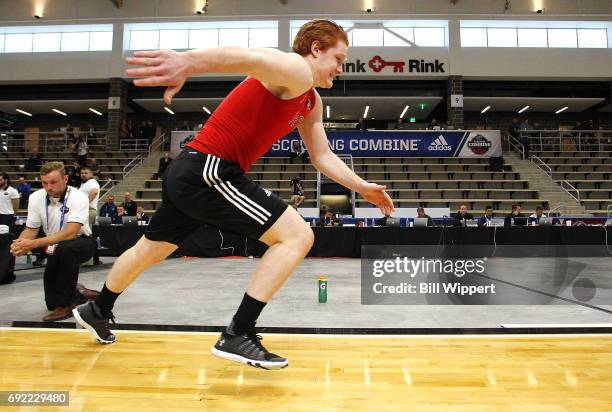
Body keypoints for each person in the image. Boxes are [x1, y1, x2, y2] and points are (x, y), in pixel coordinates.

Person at [73, 19, 393, 370]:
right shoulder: (295, 68)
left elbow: (322, 156)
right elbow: (248, 56)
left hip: (191, 171)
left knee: (151, 250)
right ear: (316, 49)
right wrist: (189, 61)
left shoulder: (310, 100)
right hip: (209, 170)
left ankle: (98, 308)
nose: (341, 67)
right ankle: (238, 333)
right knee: (297, 236)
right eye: (338, 57)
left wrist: (361, 187)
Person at [10, 162, 99, 321]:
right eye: (44, 183)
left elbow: (70, 233)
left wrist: (33, 244)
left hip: (82, 242)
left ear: (65, 179)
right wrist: (20, 243)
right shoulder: (35, 197)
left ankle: (66, 305)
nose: (48, 187)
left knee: (66, 248)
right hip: (55, 245)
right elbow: (31, 229)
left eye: (53, 182)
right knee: (51, 303)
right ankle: (79, 292)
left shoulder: (79, 197)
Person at [79, 167, 101, 265]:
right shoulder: (84, 184)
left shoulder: (92, 182)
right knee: (86, 234)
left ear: (91, 174)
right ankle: (92, 259)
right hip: (85, 210)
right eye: (82, 173)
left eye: (86, 173)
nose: (83, 174)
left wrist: (85, 204)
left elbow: (94, 192)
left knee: (86, 234)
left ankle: (89, 260)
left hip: (88, 210)